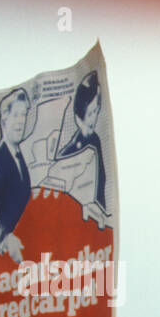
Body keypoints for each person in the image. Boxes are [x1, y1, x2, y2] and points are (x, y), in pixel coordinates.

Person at [0, 87, 33, 263]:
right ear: (4, 119)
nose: (21, 121)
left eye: (24, 115)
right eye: (16, 115)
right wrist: (7, 239)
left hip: (17, 258)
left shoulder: (20, 159)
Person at [54, 70, 108, 225]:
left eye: (96, 111)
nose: (94, 119)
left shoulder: (96, 140)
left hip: (96, 220)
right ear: (79, 117)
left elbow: (101, 184)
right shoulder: (68, 153)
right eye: (90, 113)